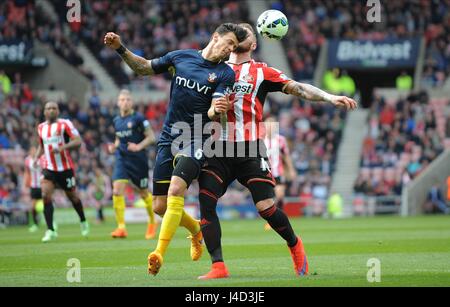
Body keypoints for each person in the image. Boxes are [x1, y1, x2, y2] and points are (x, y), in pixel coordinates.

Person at [197, 23, 357, 279]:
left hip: (249, 148)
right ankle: (219, 266)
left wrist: (329, 97)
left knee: (266, 207)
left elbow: (298, 87)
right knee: (206, 201)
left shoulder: (262, 72)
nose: (239, 34)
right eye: (236, 31)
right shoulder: (213, 67)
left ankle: (294, 244)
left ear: (253, 44)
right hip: (217, 147)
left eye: (245, 32)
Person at [104, 23, 248, 275]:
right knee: (159, 206)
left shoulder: (226, 74)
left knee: (176, 189)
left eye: (235, 48)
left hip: (197, 139)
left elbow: (215, 110)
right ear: (215, 37)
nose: (230, 50)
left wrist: (218, 110)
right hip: (169, 137)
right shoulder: (181, 56)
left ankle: (158, 253)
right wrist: (120, 49)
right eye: (229, 44)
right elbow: (144, 67)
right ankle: (195, 230)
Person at [32, 101, 89, 242]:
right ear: (44, 112)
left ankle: (83, 220)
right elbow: (41, 145)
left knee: (73, 197)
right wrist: (35, 158)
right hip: (48, 168)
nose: (51, 110)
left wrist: (63, 148)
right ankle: (50, 230)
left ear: (58, 111)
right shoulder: (41, 128)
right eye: (48, 108)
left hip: (65, 168)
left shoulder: (65, 124)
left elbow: (78, 141)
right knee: (45, 195)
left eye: (54, 108)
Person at [107, 89, 157, 239]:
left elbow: (151, 137)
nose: (125, 102)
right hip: (122, 158)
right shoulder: (116, 120)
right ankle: (121, 227)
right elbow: (118, 138)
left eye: (128, 99)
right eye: (122, 99)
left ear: (132, 102)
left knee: (142, 192)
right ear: (118, 102)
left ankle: (152, 221)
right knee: (116, 190)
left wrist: (138, 146)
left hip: (138, 160)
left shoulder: (139, 118)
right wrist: (114, 146)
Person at [263, 116, 297, 231]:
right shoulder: (260, 139)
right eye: (268, 125)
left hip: (278, 172)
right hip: (265, 173)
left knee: (280, 196)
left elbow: (286, 156)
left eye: (272, 125)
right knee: (268, 199)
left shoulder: (281, 140)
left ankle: (278, 220)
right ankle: (271, 221)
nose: (270, 128)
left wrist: (291, 169)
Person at [24, 146, 45, 232]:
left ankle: (52, 223)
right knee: (32, 207)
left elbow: (45, 170)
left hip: (42, 185)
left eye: (34, 150)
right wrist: (26, 183)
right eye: (31, 150)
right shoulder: (27, 160)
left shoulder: (41, 159)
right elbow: (27, 172)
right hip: (34, 186)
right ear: (29, 151)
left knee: (47, 204)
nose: (33, 152)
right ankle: (35, 224)